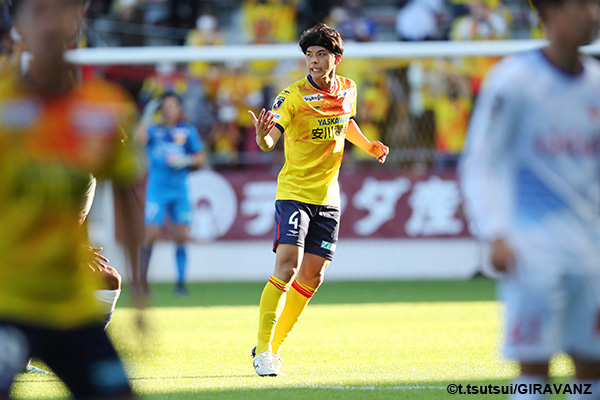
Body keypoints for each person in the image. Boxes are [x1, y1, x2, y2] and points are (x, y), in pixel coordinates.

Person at [0, 0, 144, 398]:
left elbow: (125, 198)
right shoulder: (5, 109)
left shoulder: (104, 109)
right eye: (37, 12)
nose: (50, 23)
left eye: (60, 11)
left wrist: (142, 296)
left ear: (77, 21)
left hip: (71, 307)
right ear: (18, 27)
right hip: (10, 301)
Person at [460, 0, 600, 398]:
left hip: (591, 249)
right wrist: (494, 231)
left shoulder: (596, 83)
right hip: (533, 248)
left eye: (595, 5)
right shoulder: (514, 80)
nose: (593, 15)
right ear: (550, 12)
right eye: (580, 6)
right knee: (535, 366)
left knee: (592, 367)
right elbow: (482, 161)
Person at [248, 23, 389, 377]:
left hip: (328, 198)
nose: (313, 61)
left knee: (313, 275)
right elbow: (270, 139)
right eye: (309, 55)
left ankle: (274, 347)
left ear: (336, 59)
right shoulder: (292, 96)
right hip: (294, 193)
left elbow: (346, 122)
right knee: (287, 267)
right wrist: (262, 138)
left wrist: (368, 145)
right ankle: (263, 351)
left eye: (321, 54)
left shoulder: (349, 89)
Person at [135, 92, 205, 296]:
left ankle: (181, 284)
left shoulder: (187, 130)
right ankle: (141, 282)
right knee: (151, 235)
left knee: (181, 236)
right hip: (157, 190)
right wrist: (147, 115)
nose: (169, 110)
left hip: (180, 190)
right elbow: (137, 139)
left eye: (173, 106)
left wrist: (187, 160)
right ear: (160, 109)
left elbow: (200, 156)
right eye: (165, 106)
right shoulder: (152, 130)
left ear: (179, 109)